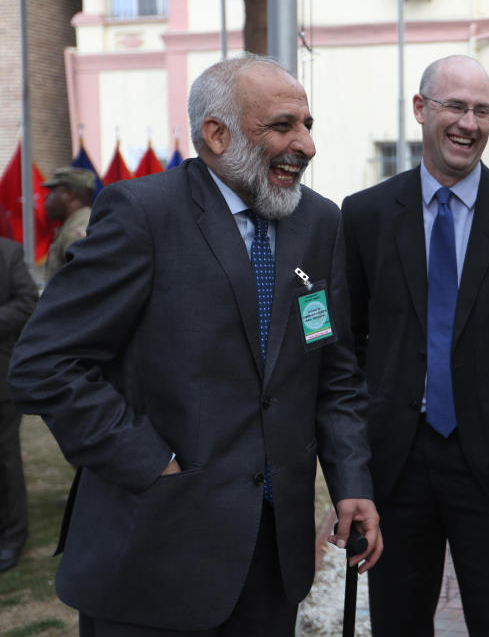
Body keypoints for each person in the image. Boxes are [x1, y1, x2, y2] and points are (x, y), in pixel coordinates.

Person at [8, 54, 382, 635]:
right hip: (154, 551)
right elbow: (45, 365)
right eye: (283, 126)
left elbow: (331, 370)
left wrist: (352, 482)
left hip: (271, 565)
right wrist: (152, 462)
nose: (306, 145)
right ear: (217, 133)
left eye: (308, 126)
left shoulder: (319, 223)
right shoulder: (142, 214)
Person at [341, 54, 489, 636]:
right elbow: (349, 340)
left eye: (482, 110)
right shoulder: (363, 216)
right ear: (420, 109)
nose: (469, 122)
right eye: (455, 106)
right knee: (398, 624)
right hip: (396, 463)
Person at [0, 238, 38, 574]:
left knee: (6, 461)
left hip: (1, 382)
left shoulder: (7, 253)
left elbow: (27, 302)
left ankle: (12, 538)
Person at [41, 166, 96, 281]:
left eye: (52, 191)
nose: (47, 196)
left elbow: (85, 283)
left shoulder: (76, 232)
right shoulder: (82, 223)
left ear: (70, 194)